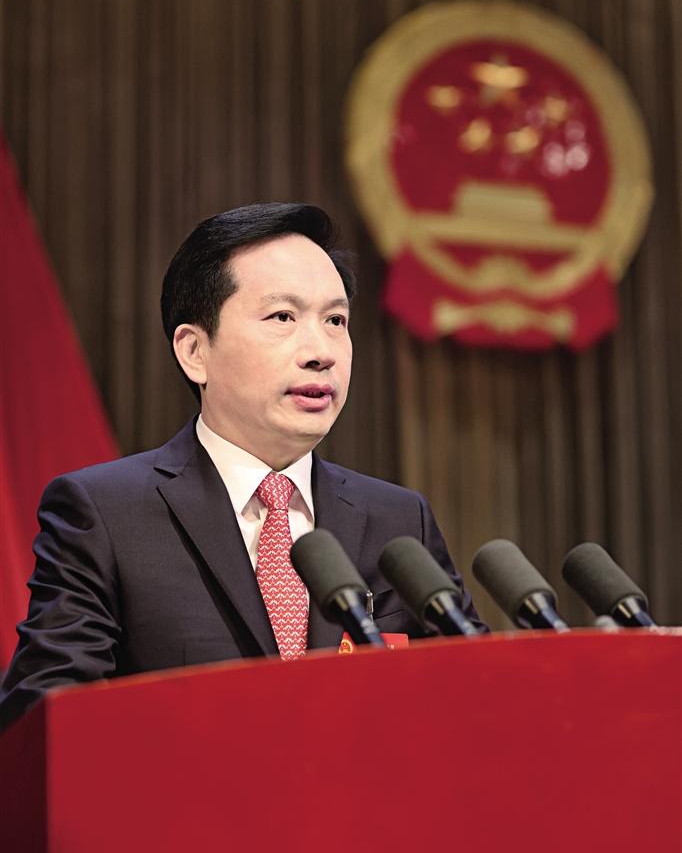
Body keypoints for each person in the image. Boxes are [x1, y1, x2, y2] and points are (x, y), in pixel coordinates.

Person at [0, 203, 484, 731]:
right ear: (194, 351)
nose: (321, 352)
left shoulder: (398, 519)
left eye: (335, 320)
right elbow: (42, 725)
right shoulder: (106, 515)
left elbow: (477, 698)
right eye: (283, 317)